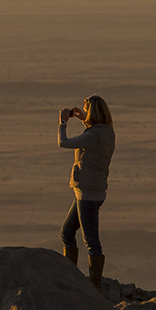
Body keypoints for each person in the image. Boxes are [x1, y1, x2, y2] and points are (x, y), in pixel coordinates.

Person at [57, 95, 115, 288]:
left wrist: (63, 122)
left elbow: (63, 142)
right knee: (67, 231)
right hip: (93, 191)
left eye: (86, 109)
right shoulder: (107, 131)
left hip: (88, 194)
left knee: (90, 240)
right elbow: (93, 134)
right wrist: (84, 118)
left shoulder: (92, 136)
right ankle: (71, 275)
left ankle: (95, 283)